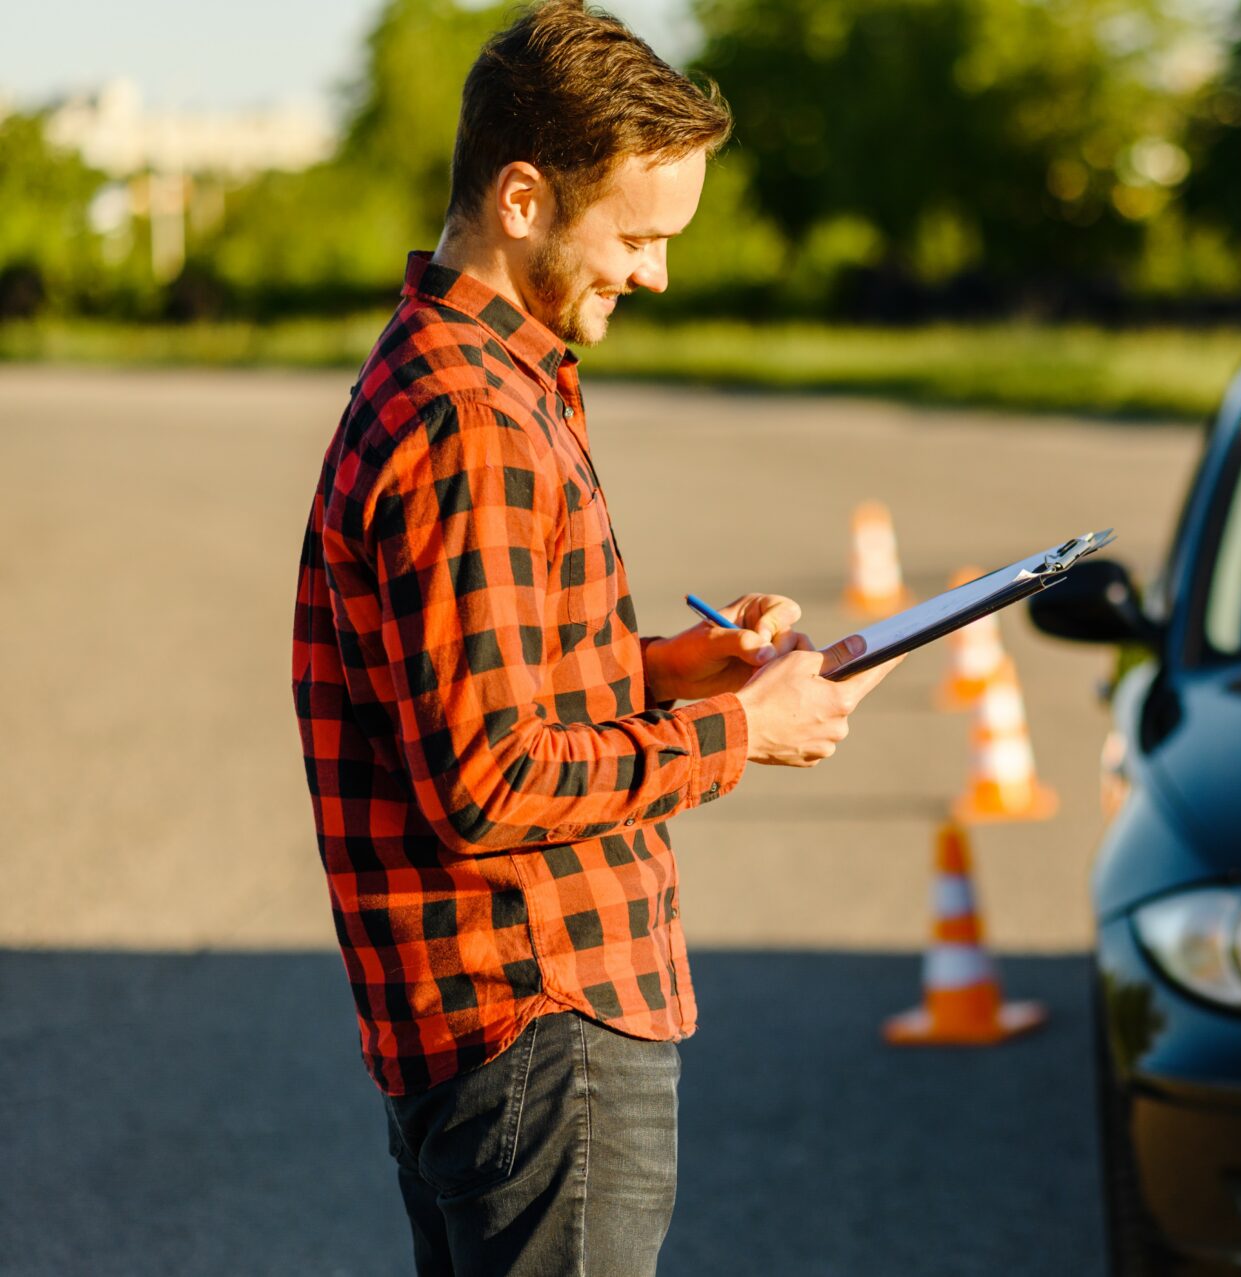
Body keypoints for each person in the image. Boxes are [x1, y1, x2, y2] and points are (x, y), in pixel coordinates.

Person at [290, 5, 897, 1273]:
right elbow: (489, 777)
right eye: (637, 234)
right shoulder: (472, 418)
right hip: (538, 1017)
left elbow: (471, 684)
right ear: (522, 198)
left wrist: (669, 672)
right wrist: (743, 731)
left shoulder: (471, 377)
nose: (657, 272)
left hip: (502, 1025)